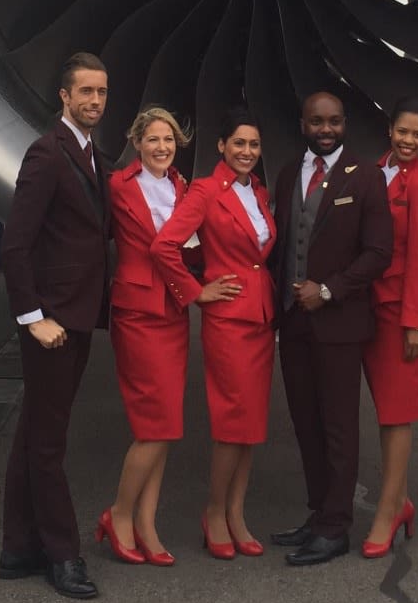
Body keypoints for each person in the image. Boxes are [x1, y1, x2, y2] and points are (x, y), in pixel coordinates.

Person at [0, 52, 111, 599]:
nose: (94, 101)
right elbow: (15, 244)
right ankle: (62, 555)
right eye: (84, 92)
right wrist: (34, 317)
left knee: (34, 433)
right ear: (64, 97)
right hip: (52, 321)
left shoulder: (91, 154)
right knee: (48, 443)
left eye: (101, 92)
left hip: (77, 314)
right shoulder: (46, 154)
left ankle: (18, 547)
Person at [268, 92, 392, 566]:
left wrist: (329, 289)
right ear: (303, 124)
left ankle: (336, 527)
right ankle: (318, 511)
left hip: (339, 322)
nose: (326, 129)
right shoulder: (286, 175)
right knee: (305, 423)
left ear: (345, 124)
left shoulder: (367, 176)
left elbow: (379, 252)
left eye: (334, 121)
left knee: (339, 426)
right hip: (293, 322)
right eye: (317, 121)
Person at [151, 108, 274, 563]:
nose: (247, 152)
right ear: (221, 146)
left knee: (250, 427)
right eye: (239, 144)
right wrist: (197, 291)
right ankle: (214, 513)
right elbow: (163, 246)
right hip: (228, 321)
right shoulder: (204, 192)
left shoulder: (257, 191)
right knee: (230, 426)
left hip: (260, 319)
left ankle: (237, 514)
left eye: (254, 145)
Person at [98, 107, 195, 567]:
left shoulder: (181, 187)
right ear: (137, 142)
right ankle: (118, 514)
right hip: (137, 312)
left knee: (167, 425)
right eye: (153, 140)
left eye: (169, 141)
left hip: (173, 312)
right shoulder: (118, 186)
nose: (162, 148)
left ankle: (147, 523)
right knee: (153, 425)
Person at [359, 99, 418, 559]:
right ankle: (401, 501)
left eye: (417, 135)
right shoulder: (374, 172)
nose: (408, 141)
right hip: (368, 305)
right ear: (390, 130)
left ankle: (388, 512)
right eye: (402, 132)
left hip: (398, 312)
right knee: (386, 410)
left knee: (396, 414)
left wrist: (416, 322)